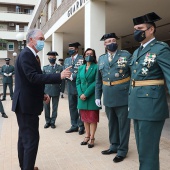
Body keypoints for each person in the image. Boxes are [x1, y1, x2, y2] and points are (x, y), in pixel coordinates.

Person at [12, 29, 71, 170]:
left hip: (26, 103)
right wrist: (59, 76)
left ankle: (25, 166)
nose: (42, 42)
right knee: (31, 140)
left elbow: (29, 82)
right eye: (41, 38)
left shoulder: (30, 55)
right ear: (31, 40)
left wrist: (41, 94)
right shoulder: (26, 54)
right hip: (26, 106)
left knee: (24, 139)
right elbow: (33, 77)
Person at [128, 12, 170, 170]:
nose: (136, 32)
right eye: (134, 29)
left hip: (151, 106)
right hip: (137, 105)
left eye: (140, 28)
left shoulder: (160, 49)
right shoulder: (137, 52)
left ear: (151, 29)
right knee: (142, 149)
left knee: (148, 151)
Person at [95, 33, 131, 163]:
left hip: (123, 96)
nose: (112, 42)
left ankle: (122, 150)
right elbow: (98, 79)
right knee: (112, 124)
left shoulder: (125, 55)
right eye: (109, 41)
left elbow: (133, 76)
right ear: (105, 45)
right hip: (108, 96)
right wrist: (97, 96)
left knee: (123, 125)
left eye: (114, 40)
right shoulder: (102, 59)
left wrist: (132, 96)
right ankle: (113, 146)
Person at [76, 48, 101, 148]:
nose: (89, 55)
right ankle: (87, 135)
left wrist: (86, 94)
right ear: (84, 56)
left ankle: (92, 137)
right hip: (81, 96)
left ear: (94, 56)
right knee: (85, 118)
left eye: (91, 54)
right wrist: (80, 93)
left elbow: (96, 82)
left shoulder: (96, 67)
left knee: (93, 118)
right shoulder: (81, 68)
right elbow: (77, 81)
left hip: (91, 96)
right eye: (87, 54)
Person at [64, 42, 85, 135]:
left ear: (76, 49)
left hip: (79, 86)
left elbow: (83, 71)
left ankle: (81, 126)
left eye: (72, 48)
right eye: (69, 48)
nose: (70, 50)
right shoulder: (67, 60)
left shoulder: (82, 58)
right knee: (72, 107)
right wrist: (67, 75)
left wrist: (73, 76)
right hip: (69, 86)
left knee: (80, 107)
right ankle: (74, 125)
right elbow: (65, 70)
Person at [43, 51, 63, 129]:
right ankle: (47, 121)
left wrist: (62, 90)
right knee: (46, 106)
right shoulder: (45, 68)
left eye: (53, 58)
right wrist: (43, 91)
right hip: (46, 90)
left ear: (56, 58)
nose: (52, 59)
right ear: (48, 58)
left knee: (55, 107)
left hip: (56, 90)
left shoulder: (60, 68)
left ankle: (53, 122)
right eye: (50, 58)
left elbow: (63, 80)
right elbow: (42, 80)